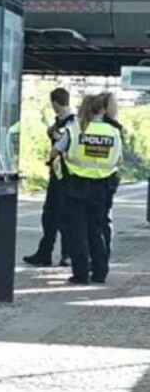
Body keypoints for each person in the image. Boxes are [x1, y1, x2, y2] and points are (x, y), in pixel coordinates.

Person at [51, 93, 123, 285]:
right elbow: (119, 160)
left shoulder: (74, 129)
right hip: (101, 187)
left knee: (77, 232)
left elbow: (55, 151)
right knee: (96, 231)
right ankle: (100, 273)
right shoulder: (113, 132)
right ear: (102, 109)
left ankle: (81, 275)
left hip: (76, 186)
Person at [24, 87, 75, 267]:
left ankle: (66, 254)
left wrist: (56, 136)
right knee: (50, 215)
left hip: (65, 176)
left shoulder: (71, 124)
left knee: (62, 216)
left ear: (54, 103)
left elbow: (64, 146)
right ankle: (45, 253)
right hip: (57, 175)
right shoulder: (61, 122)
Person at [103, 96, 124, 255]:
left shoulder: (87, 127)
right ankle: (104, 253)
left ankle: (95, 255)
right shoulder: (116, 129)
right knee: (105, 218)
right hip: (110, 178)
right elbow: (120, 160)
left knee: (94, 221)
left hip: (90, 180)